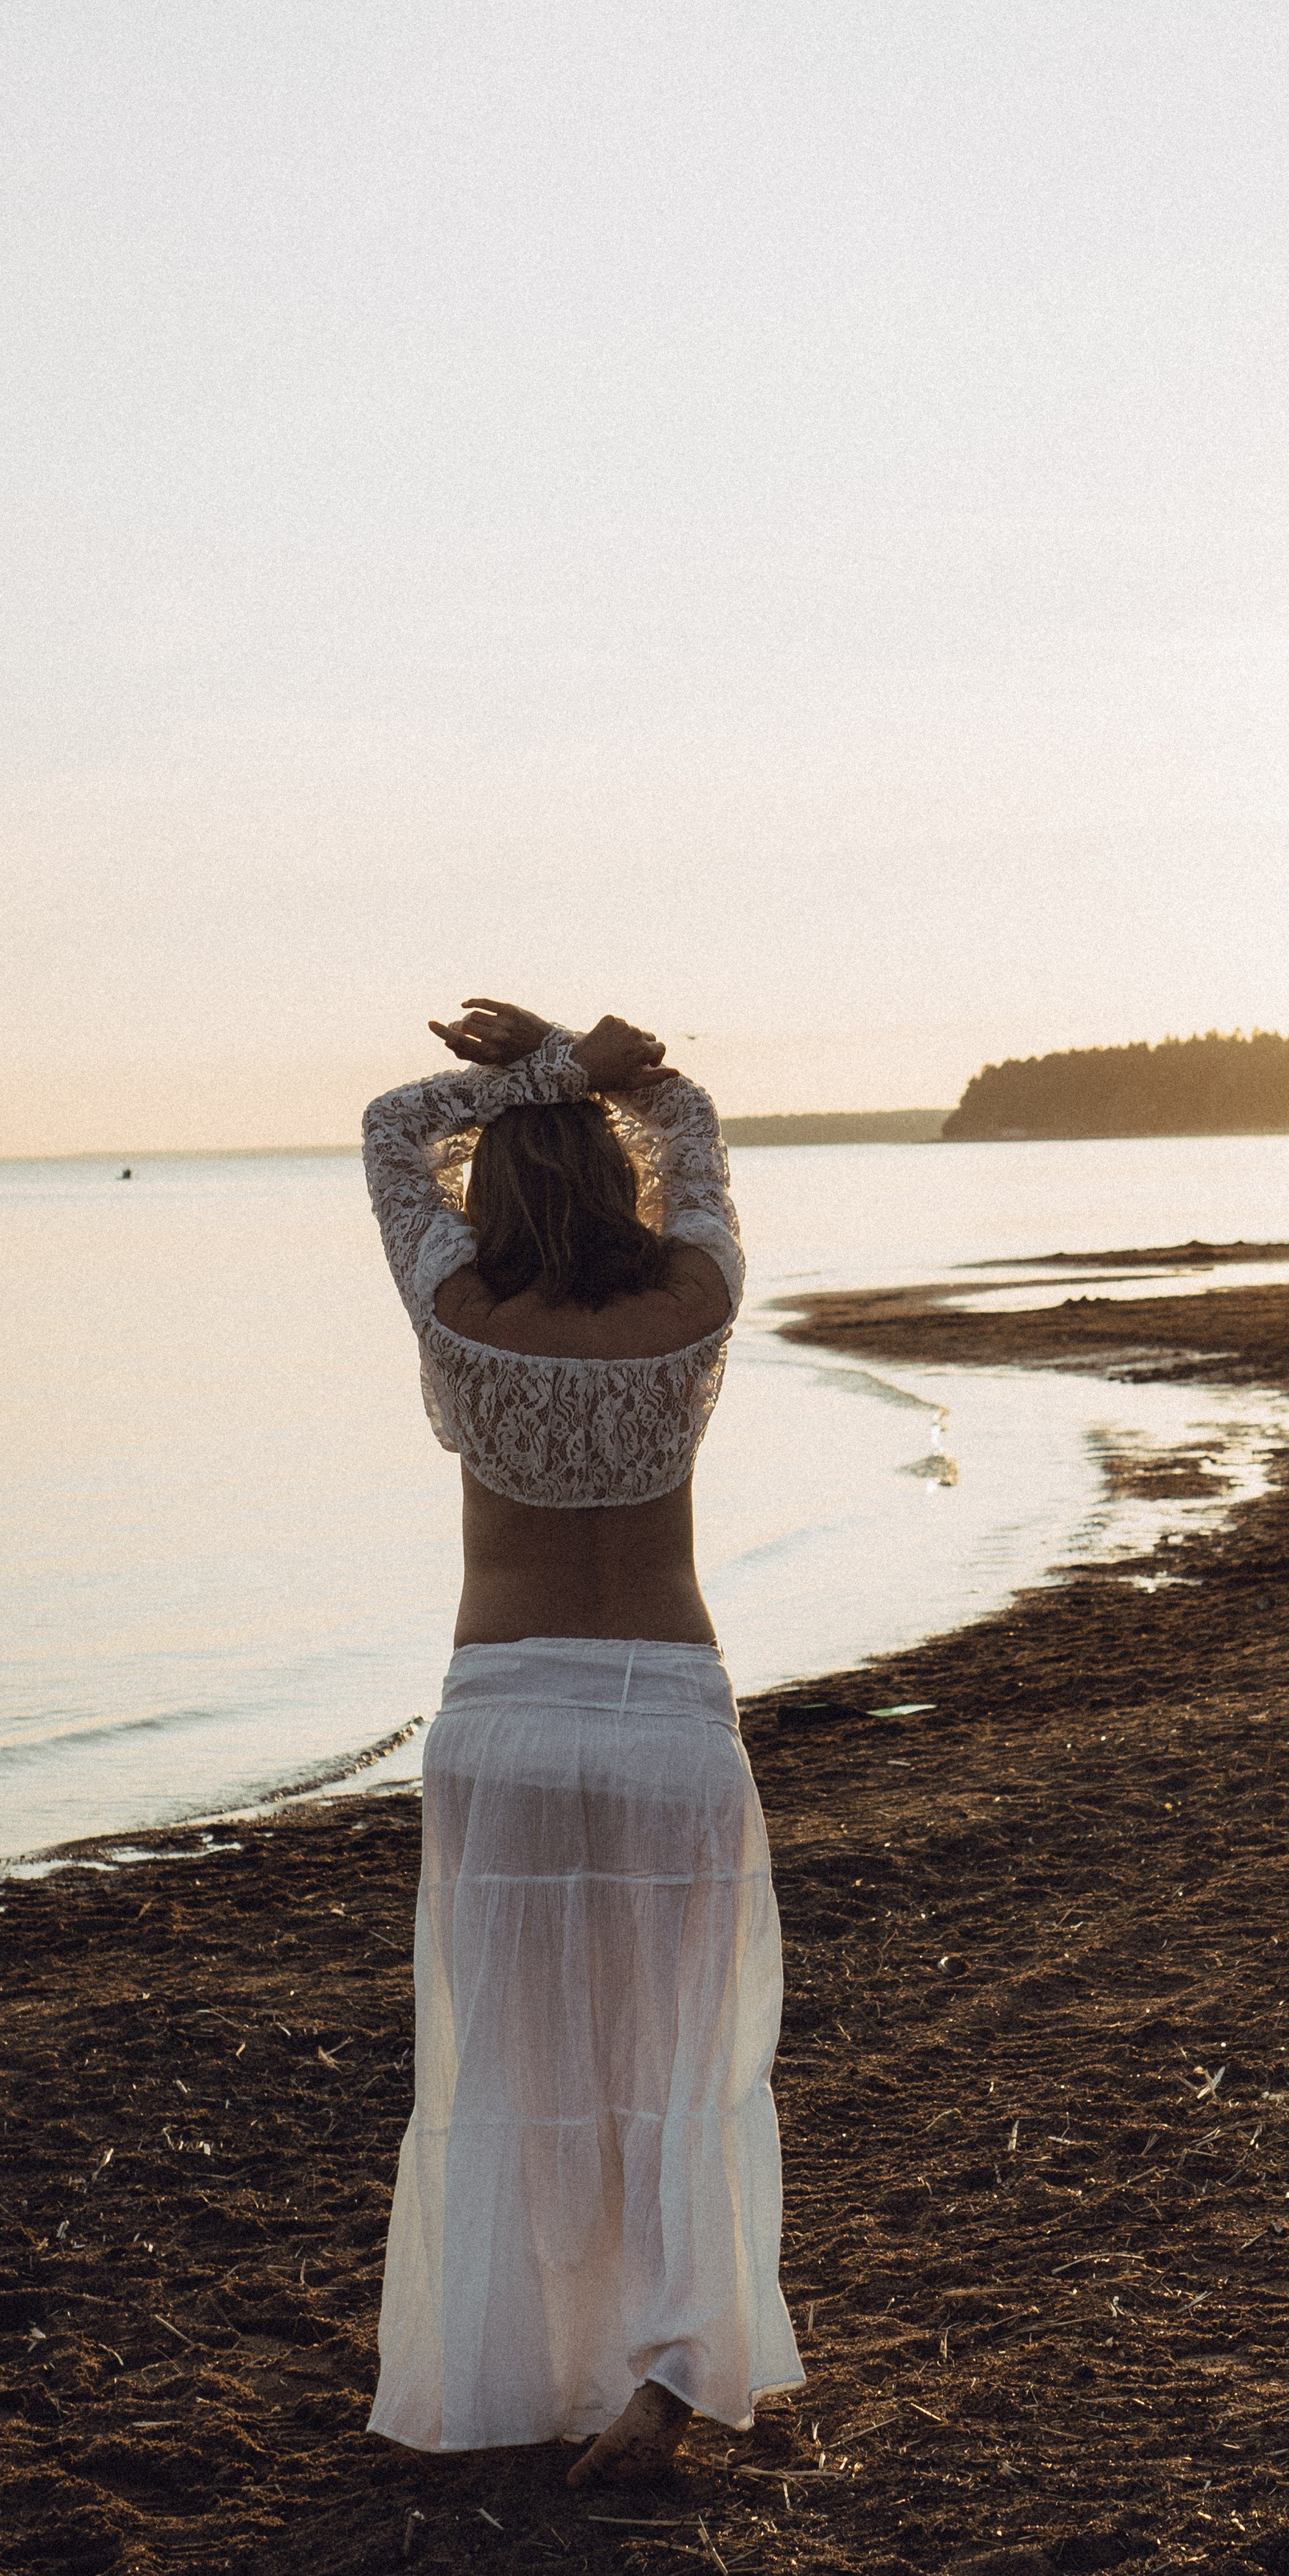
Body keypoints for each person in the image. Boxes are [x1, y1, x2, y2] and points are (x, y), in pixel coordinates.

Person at [359, 997, 803, 2485]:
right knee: (678, 2062)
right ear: (622, 1188)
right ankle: (666, 2372)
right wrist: (601, 1065)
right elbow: (696, 1133)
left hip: (506, 1719)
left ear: (491, 1193)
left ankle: (521, 2372)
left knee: (520, 2068)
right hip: (667, 1717)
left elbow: (389, 1129)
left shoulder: (463, 1316)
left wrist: (548, 1075)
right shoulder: (697, 1303)